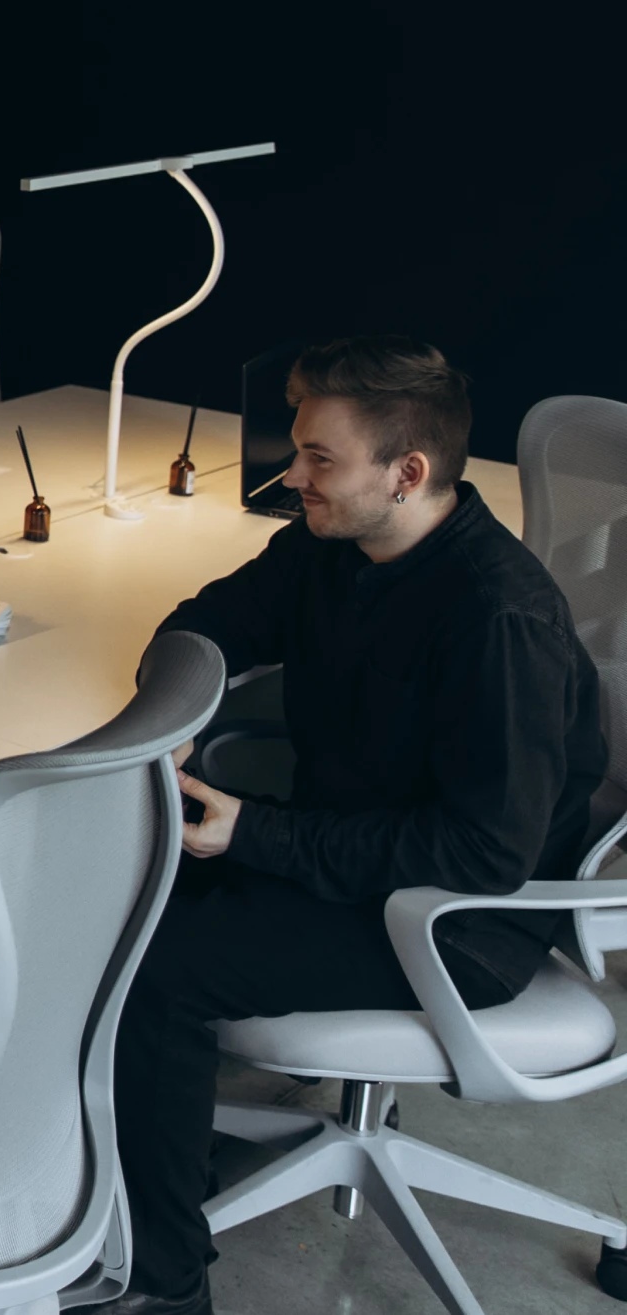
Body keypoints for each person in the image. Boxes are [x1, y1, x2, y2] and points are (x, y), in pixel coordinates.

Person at [93, 337, 607, 1315]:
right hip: (348, 854)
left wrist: (256, 835)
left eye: (319, 458)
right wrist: (174, 715)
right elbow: (207, 623)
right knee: (113, 890)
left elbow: (485, 853)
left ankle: (164, 1282)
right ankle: (149, 1164)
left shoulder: (498, 619)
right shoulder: (332, 545)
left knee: (160, 970)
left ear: (405, 473)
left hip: (454, 920)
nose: (292, 477)